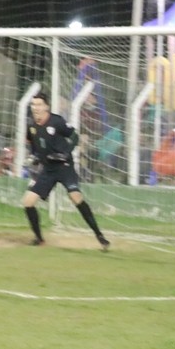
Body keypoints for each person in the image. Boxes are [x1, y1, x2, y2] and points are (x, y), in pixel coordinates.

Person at [23, 92, 110, 250]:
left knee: (75, 197)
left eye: (39, 104)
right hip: (47, 170)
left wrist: (65, 153)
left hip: (64, 167)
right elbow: (33, 146)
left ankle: (99, 235)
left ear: (46, 106)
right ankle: (39, 239)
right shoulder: (31, 126)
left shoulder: (56, 121)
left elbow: (74, 136)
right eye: (33, 105)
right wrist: (34, 157)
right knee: (28, 202)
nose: (35, 108)